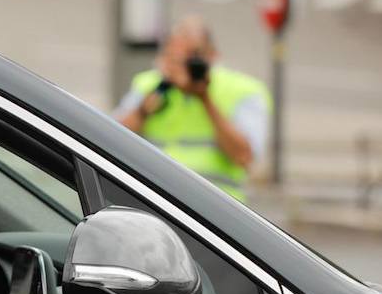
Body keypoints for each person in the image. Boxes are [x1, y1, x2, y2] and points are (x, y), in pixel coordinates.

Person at [115, 16, 271, 202]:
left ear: (212, 56)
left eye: (191, 59)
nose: (183, 68)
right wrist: (145, 108)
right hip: (154, 200)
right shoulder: (149, 85)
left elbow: (243, 156)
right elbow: (111, 138)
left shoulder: (242, 90)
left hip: (214, 207)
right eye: (175, 58)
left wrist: (204, 99)